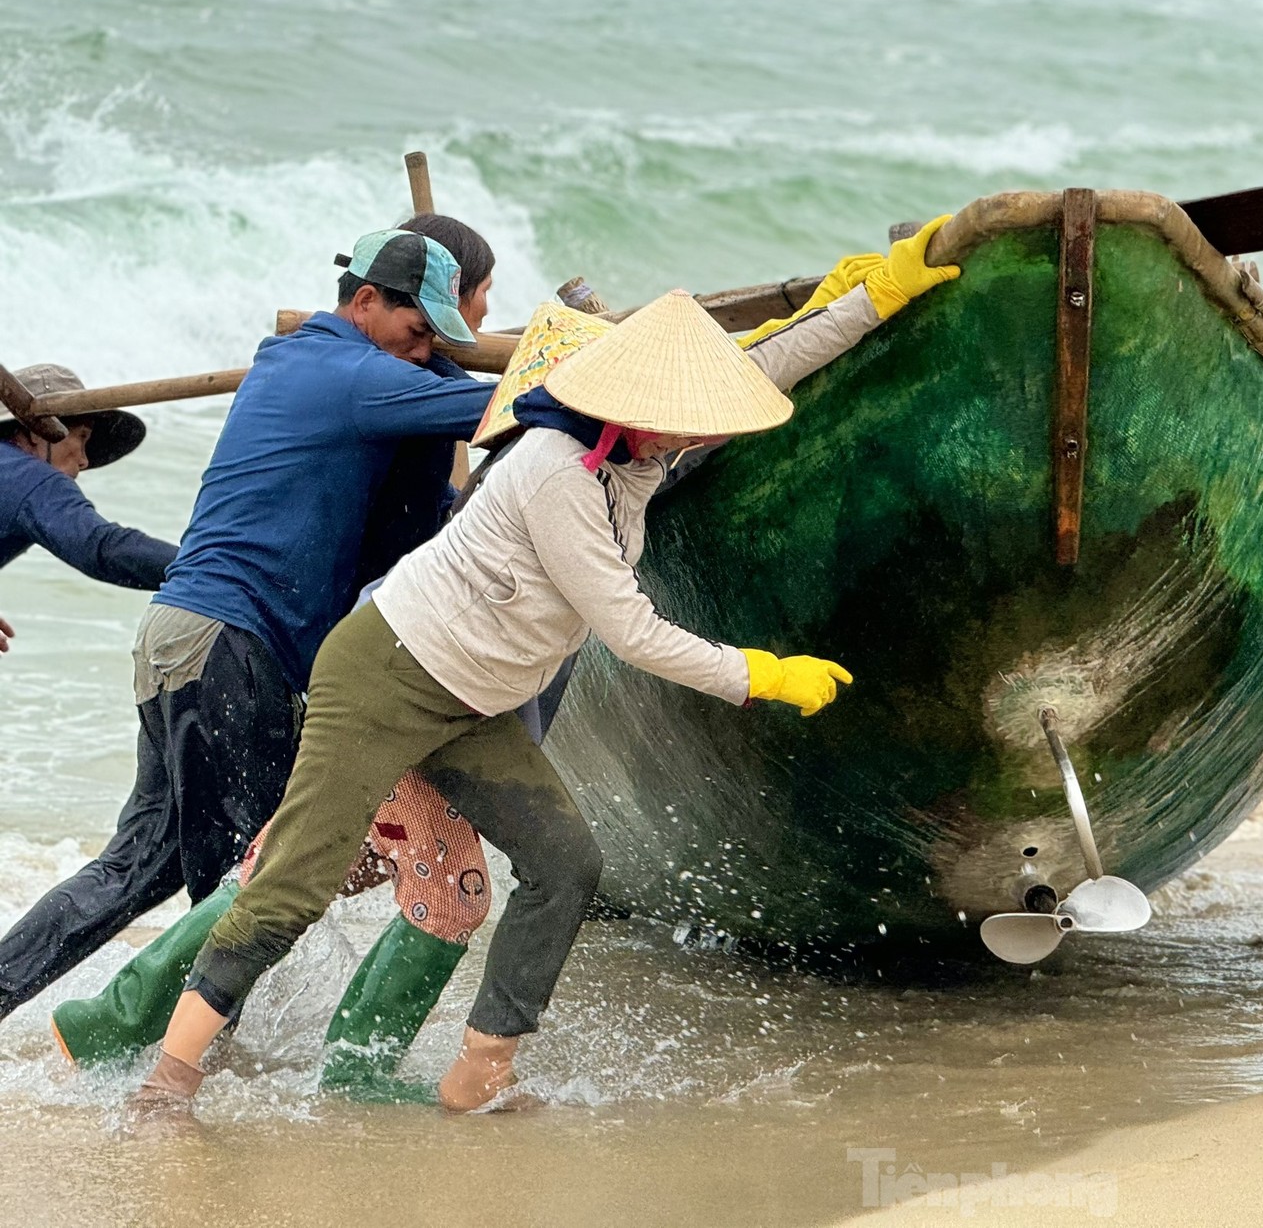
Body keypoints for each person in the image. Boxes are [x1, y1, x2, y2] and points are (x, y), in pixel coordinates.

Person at [133, 220, 962, 1115]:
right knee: (299, 876)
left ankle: (479, 1075)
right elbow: (629, 628)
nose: (707, 427)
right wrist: (759, 673)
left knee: (567, 862)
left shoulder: (646, 446)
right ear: (636, 403)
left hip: (476, 702)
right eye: (693, 414)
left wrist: (875, 296)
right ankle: (168, 1077)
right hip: (385, 675)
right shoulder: (558, 468)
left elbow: (767, 365)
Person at [0, 227, 496, 1022]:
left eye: (438, 337)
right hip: (231, 646)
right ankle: (166, 1056)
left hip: (177, 638)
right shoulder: (353, 373)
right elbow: (506, 407)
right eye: (417, 330)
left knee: (139, 869)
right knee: (253, 874)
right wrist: (568, 364)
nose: (422, 349)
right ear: (364, 302)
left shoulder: (300, 361)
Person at [1, 364, 176, 604]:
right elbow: (102, 549)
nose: (84, 461)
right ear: (36, 432)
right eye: (81, 438)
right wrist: (213, 570)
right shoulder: (27, 477)